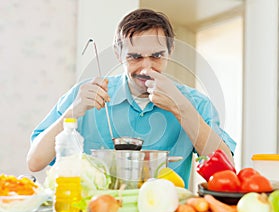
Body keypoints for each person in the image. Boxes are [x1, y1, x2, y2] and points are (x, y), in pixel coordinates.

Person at [27, 8, 236, 187]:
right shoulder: (86, 93)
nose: (146, 68)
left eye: (156, 56)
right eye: (135, 57)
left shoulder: (196, 102)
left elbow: (227, 171)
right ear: (118, 54)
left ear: (170, 52)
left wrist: (180, 107)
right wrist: (74, 110)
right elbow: (35, 162)